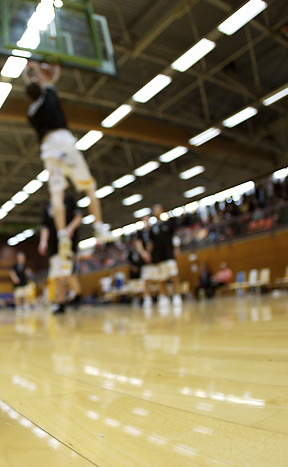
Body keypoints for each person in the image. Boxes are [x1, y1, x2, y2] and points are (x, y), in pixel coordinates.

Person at [22, 61, 112, 258]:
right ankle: (99, 226)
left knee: (57, 192)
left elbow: (38, 87)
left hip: (48, 150)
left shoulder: (31, 113)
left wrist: (29, 77)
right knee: (89, 185)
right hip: (63, 143)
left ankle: (62, 235)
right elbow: (47, 83)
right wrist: (37, 68)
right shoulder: (49, 97)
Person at [39, 191, 83, 314]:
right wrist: (43, 241)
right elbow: (45, 226)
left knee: (68, 272)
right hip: (54, 246)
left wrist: (70, 228)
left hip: (68, 245)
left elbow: (78, 216)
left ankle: (78, 296)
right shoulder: (48, 205)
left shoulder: (69, 199)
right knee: (56, 275)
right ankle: (61, 302)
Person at [134, 204, 182, 308]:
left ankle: (177, 295)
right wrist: (147, 254)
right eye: (154, 210)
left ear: (162, 210)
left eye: (158, 210)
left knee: (173, 275)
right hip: (158, 257)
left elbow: (174, 236)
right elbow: (150, 243)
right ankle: (164, 296)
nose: (156, 212)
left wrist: (176, 248)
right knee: (162, 278)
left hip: (169, 254)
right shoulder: (153, 228)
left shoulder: (169, 223)